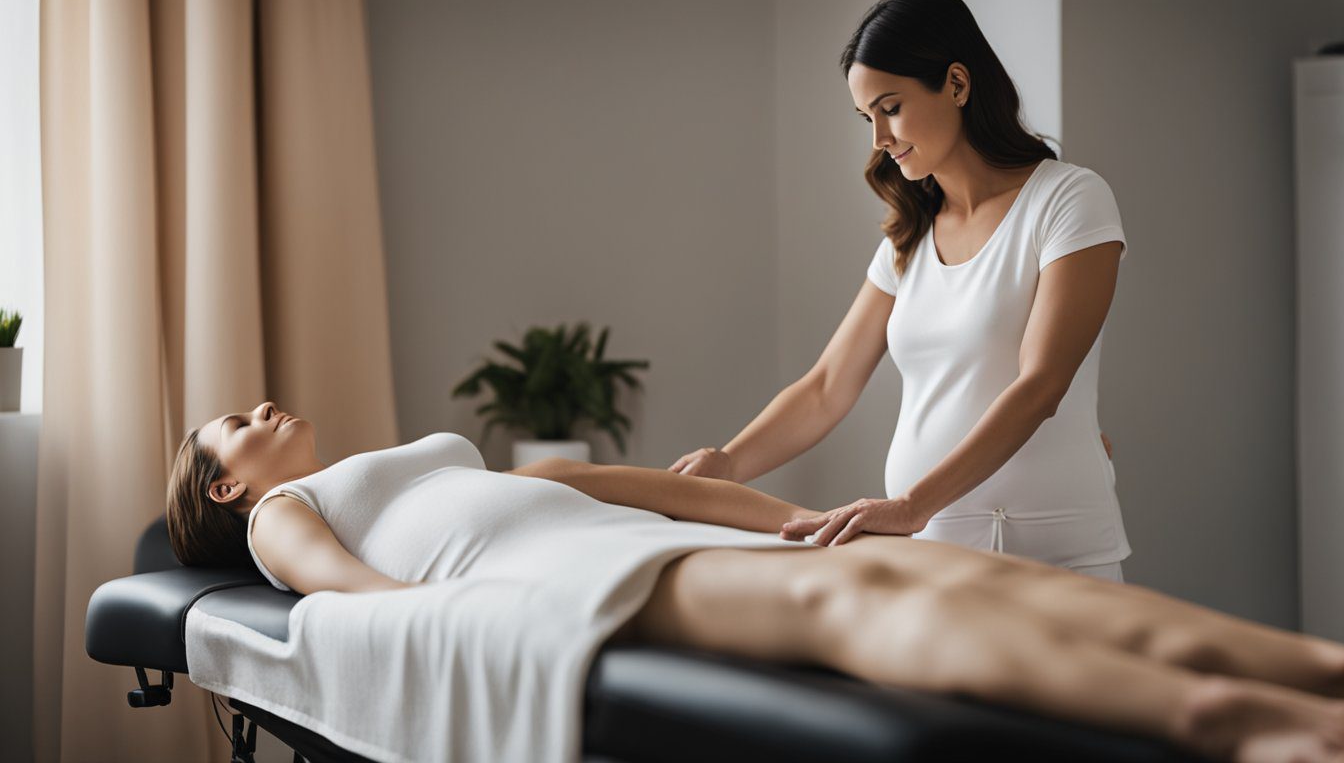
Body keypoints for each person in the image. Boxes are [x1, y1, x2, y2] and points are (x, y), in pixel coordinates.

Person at [167, 402, 1344, 763]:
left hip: (612, 536)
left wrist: (795, 518)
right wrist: (482, 622)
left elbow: (637, 483)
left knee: (929, 570)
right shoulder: (281, 512)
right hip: (571, 584)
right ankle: (1225, 722)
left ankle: (1314, 670)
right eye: (234, 423)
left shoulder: (408, 461)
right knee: (862, 607)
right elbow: (344, 595)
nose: (259, 410)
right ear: (225, 490)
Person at [671, 0, 1133, 581]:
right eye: (868, 117)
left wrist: (911, 507)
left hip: (1053, 558)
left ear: (957, 84)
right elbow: (826, 387)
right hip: (934, 556)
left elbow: (1041, 385)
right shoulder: (908, 238)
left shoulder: (1068, 200)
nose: (879, 139)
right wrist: (728, 463)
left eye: (891, 107)